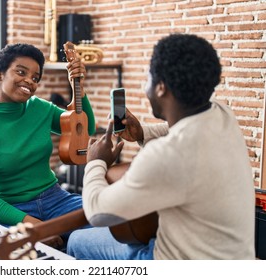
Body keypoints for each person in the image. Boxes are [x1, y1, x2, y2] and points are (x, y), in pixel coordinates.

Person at [67, 33, 255, 259]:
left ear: (161, 88)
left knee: (77, 240)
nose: (146, 87)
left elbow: (97, 212)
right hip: (233, 256)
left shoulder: (166, 155)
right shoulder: (223, 115)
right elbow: (179, 129)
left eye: (148, 79)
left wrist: (95, 161)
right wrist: (142, 132)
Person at [0, 43, 96, 245]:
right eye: (21, 72)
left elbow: (85, 131)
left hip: (57, 199)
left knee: (105, 218)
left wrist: (79, 88)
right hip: (12, 210)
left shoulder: (40, 108)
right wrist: (34, 224)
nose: (29, 81)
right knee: (38, 248)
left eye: (35, 78)